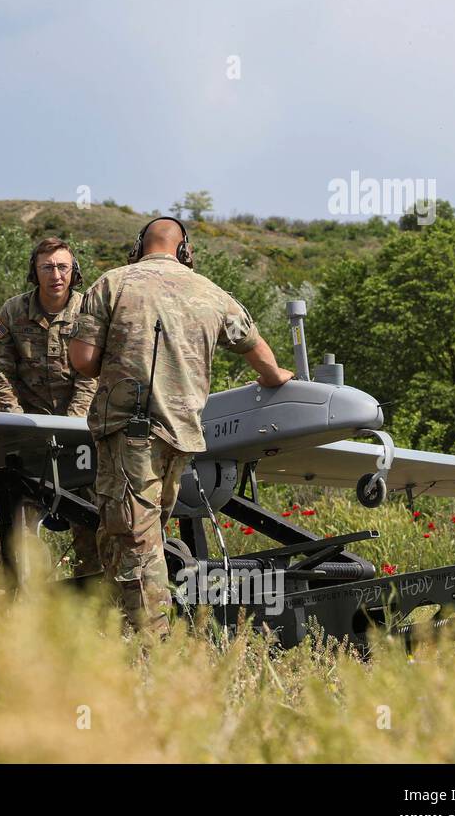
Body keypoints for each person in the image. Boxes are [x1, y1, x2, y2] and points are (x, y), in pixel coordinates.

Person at [69, 216, 293, 640]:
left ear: (139, 246)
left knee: (135, 541)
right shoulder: (211, 292)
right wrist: (275, 376)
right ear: (185, 250)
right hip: (183, 436)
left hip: (130, 432)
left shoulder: (113, 283)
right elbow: (255, 347)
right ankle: (120, 634)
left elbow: (82, 360)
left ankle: (153, 648)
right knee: (141, 535)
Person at [0, 237, 100, 576]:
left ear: (74, 271)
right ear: (34, 272)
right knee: (17, 531)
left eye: (63, 267)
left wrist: (72, 425)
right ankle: (9, 599)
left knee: (92, 525)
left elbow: (91, 374)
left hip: (82, 436)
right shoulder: (12, 312)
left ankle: (92, 595)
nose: (56, 275)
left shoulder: (89, 311)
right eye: (47, 267)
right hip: (29, 437)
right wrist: (16, 424)